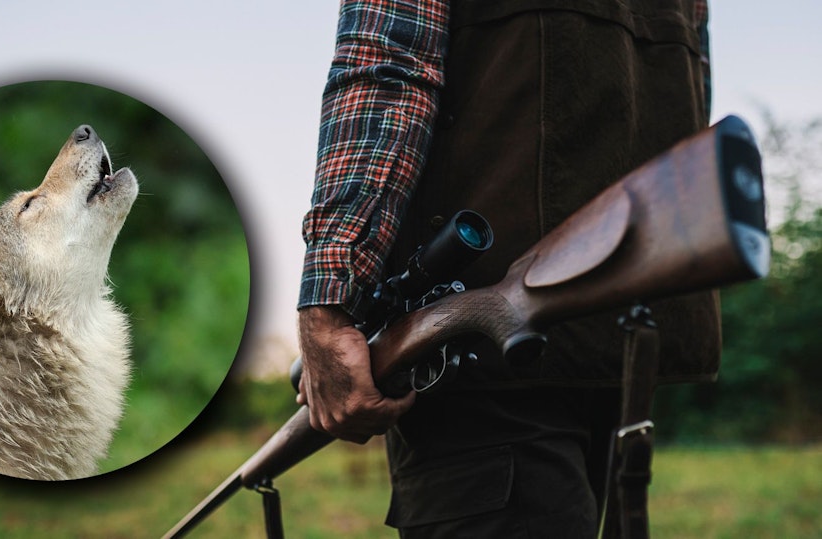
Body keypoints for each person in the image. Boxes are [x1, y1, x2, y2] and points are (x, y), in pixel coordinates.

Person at [296, 0, 719, 537]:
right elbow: (689, 97)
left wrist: (328, 303)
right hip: (622, 340)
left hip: (476, 359)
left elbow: (386, 65)